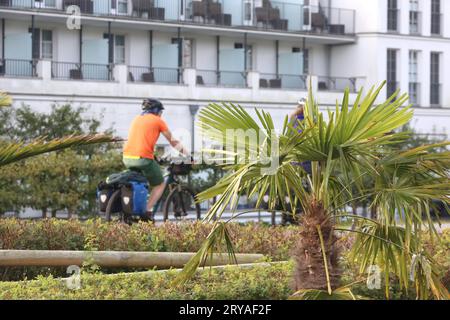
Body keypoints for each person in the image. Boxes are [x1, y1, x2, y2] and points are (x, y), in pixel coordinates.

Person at [122, 98, 190, 221]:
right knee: (159, 184)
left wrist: (154, 156)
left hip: (127, 157)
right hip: (142, 159)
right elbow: (173, 142)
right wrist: (188, 155)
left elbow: (140, 141)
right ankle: (147, 212)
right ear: (157, 111)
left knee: (142, 181)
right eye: (161, 112)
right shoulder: (158, 121)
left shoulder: (137, 119)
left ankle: (134, 209)